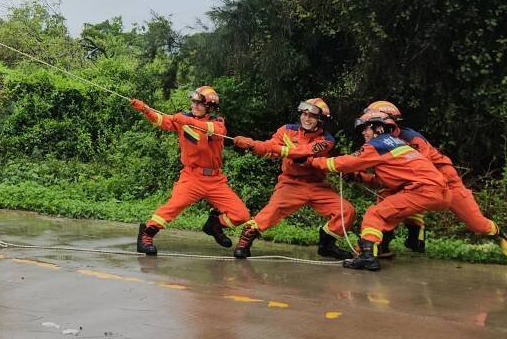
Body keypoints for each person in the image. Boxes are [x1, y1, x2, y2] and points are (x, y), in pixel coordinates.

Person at [306, 109, 449, 271]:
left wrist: (315, 162)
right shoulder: (397, 144)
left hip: (422, 190)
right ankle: (393, 243)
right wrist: (358, 177)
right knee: (386, 205)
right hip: (437, 191)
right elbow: (385, 181)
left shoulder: (378, 144)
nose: (363, 133)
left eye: (366, 129)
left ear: (378, 128)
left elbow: (345, 163)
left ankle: (368, 257)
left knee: (375, 214)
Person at [370, 101, 506, 257]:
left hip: (446, 182)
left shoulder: (412, 140)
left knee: (478, 224)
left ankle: (499, 234)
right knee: (385, 201)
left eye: (373, 122)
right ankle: (381, 246)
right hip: (420, 184)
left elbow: (420, 169)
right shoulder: (380, 142)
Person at [131, 86, 250, 256]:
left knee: (241, 215)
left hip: (215, 180)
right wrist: (145, 110)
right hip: (191, 176)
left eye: (200, 103)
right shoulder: (183, 119)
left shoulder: (218, 124)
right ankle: (146, 236)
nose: (194, 105)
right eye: (193, 101)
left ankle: (215, 225)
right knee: (173, 207)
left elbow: (208, 129)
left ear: (210, 107)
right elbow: (161, 120)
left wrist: (184, 120)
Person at [231, 98, 354, 260]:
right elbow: (271, 148)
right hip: (290, 183)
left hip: (316, 185)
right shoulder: (286, 130)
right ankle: (244, 243)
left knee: (346, 210)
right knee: (270, 213)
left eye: (312, 116)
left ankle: (327, 245)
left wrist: (256, 144)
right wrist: (251, 145)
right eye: (304, 114)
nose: (306, 118)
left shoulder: (326, 140)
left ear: (320, 120)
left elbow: (301, 153)